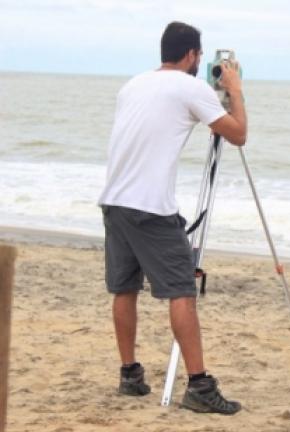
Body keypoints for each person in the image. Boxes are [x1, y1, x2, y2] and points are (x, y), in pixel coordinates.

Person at [97, 21, 247, 414]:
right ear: (193, 55)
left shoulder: (133, 85)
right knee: (181, 290)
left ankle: (129, 374)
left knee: (124, 288)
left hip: (114, 199)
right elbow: (238, 133)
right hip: (151, 207)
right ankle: (199, 384)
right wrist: (235, 91)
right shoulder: (191, 86)